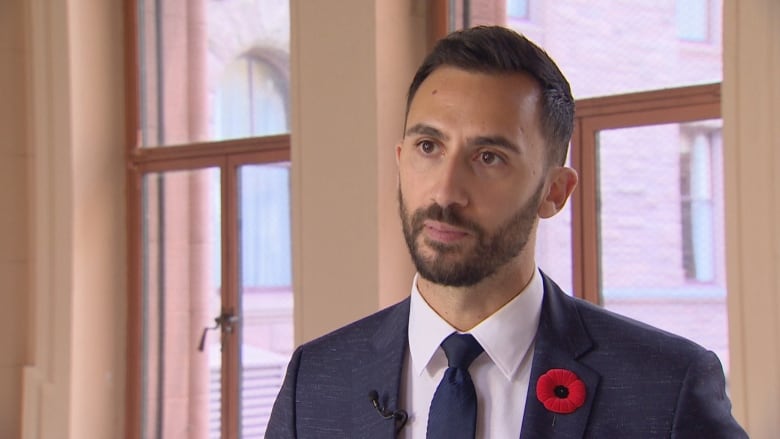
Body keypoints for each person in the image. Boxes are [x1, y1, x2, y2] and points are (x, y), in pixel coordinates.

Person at [265, 26, 747, 438]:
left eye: (488, 157)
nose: (445, 191)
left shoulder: (666, 387)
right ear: (399, 161)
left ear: (555, 191)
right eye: (428, 146)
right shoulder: (316, 381)